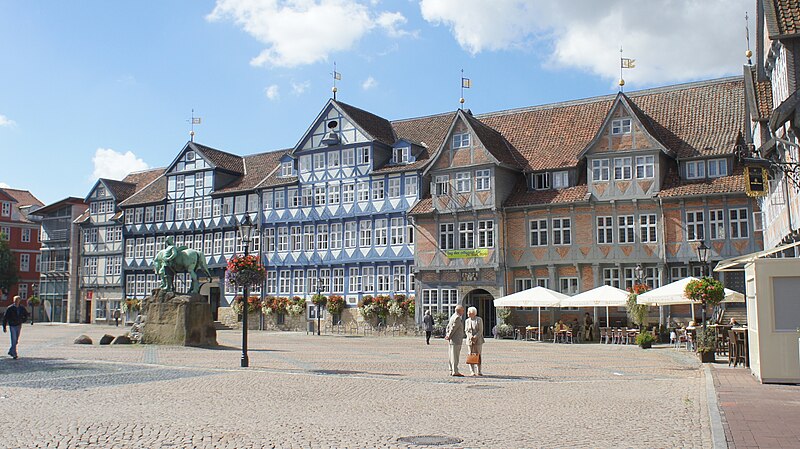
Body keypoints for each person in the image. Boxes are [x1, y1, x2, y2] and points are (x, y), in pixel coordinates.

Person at [444, 304, 465, 377]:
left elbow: (448, 327)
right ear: (460, 311)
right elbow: (453, 328)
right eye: (463, 310)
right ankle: (455, 371)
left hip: (452, 340)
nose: (463, 312)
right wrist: (449, 335)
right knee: (455, 356)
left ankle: (451, 370)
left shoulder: (452, 316)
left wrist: (447, 335)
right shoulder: (457, 318)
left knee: (451, 355)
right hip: (456, 339)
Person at [464, 306, 484, 376]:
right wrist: (470, 337)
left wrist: (475, 337)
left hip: (478, 340)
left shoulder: (479, 320)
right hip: (469, 340)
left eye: (468, 312)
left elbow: (480, 330)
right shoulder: (467, 321)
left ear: (473, 313)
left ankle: (479, 370)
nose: (467, 313)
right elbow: (466, 330)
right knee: (470, 354)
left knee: (478, 355)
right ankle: (472, 371)